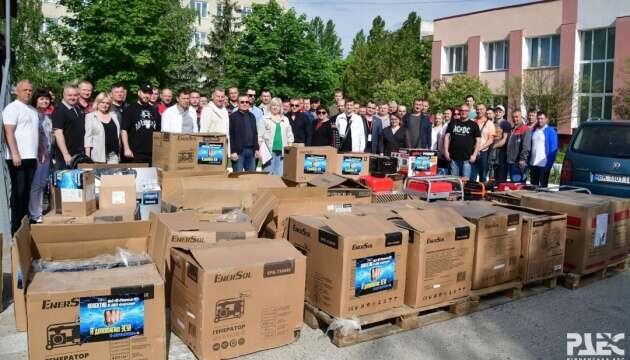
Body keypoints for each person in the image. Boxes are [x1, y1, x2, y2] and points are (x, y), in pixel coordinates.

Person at [4, 80, 41, 233]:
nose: (28, 92)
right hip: (18, 157)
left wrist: (40, 152)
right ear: (17, 91)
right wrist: (15, 154)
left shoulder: (32, 110)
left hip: (31, 157)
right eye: (25, 90)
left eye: (30, 90)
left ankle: (24, 225)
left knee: (26, 191)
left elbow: (35, 133)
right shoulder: (12, 108)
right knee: (18, 193)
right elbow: (8, 132)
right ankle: (15, 229)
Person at [29, 89, 54, 223]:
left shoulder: (46, 116)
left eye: (47, 99)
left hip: (48, 155)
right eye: (41, 99)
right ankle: (34, 214)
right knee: (36, 184)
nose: (45, 101)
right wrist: (41, 151)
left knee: (42, 183)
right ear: (36, 100)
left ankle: (37, 211)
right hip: (39, 155)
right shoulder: (34, 115)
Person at [121, 83, 161, 164]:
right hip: (134, 153)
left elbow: (158, 132)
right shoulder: (130, 109)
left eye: (149, 93)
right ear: (139, 92)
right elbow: (124, 130)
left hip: (152, 153)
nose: (146, 95)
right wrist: (126, 148)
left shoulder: (154, 110)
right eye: (144, 92)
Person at [52, 84, 86, 169]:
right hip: (66, 157)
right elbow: (58, 133)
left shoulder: (78, 109)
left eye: (75, 95)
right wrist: (66, 154)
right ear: (64, 95)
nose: (73, 97)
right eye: (69, 95)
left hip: (79, 155)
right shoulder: (59, 110)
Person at [443, 105, 481, 179]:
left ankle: (464, 191)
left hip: (467, 159)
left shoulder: (474, 125)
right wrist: (446, 152)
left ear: (469, 112)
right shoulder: (453, 123)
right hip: (453, 158)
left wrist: (474, 155)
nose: (464, 112)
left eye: (466, 111)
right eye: (462, 110)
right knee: (454, 181)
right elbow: (447, 137)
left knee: (465, 181)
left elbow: (478, 140)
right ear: (460, 112)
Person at [260, 97, 294, 175]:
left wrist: (289, 148)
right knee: (267, 174)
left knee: (279, 174)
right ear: (270, 106)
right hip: (268, 152)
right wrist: (261, 151)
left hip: (282, 152)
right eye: (273, 105)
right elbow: (260, 136)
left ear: (280, 107)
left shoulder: (285, 119)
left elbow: (290, 136)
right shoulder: (264, 118)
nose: (275, 107)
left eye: (277, 105)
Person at [84, 92, 121, 163]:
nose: (105, 105)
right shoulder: (90, 117)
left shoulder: (114, 116)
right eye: (102, 102)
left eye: (107, 103)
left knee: (114, 174)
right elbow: (88, 137)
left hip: (113, 156)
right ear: (97, 103)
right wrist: (87, 157)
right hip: (98, 156)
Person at [229, 94, 260, 171]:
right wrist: (233, 151)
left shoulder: (252, 116)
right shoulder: (233, 117)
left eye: (247, 102)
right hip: (239, 152)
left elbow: (255, 134)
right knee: (238, 178)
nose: (245, 104)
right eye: (242, 102)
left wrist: (256, 149)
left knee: (251, 178)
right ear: (238, 104)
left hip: (251, 152)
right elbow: (231, 135)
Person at [529, 111, 558, 187]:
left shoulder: (551, 131)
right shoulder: (534, 130)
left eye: (542, 118)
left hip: (544, 164)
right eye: (538, 118)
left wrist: (549, 165)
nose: (540, 120)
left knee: (542, 189)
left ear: (546, 119)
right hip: (533, 163)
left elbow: (553, 149)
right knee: (533, 188)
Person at [470, 104, 495, 182]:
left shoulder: (489, 123)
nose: (479, 111)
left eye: (481, 109)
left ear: (485, 110)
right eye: (477, 109)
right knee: (471, 177)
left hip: (483, 153)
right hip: (471, 152)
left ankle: (482, 193)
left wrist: (478, 149)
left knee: (483, 176)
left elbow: (490, 140)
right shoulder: (472, 122)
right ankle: (472, 193)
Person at [506, 109, 531, 183]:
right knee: (513, 184)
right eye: (513, 117)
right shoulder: (512, 129)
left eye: (517, 117)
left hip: (518, 163)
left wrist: (522, 159)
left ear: (521, 117)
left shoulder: (525, 129)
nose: (515, 119)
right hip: (511, 162)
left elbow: (526, 146)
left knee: (518, 185)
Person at [491, 105, 511, 182]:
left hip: (501, 152)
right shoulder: (492, 123)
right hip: (491, 151)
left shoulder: (505, 124)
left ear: (503, 113)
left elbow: (504, 139)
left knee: (500, 175)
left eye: (500, 112)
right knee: (492, 175)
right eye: (496, 111)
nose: (498, 113)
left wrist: (494, 146)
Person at [437, 108, 455, 174]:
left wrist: (446, 152)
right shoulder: (444, 124)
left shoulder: (452, 124)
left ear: (451, 114)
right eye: (444, 113)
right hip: (441, 153)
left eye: (448, 114)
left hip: (447, 154)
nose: (446, 115)